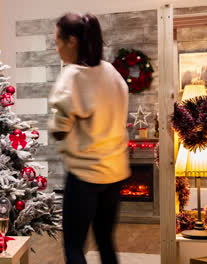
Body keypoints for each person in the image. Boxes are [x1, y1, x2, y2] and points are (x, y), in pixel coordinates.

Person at [48, 12, 130, 264]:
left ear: (72, 40)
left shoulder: (73, 75)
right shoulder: (111, 72)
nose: (57, 48)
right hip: (115, 171)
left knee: (74, 246)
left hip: (85, 174)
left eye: (58, 41)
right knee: (106, 241)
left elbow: (59, 128)